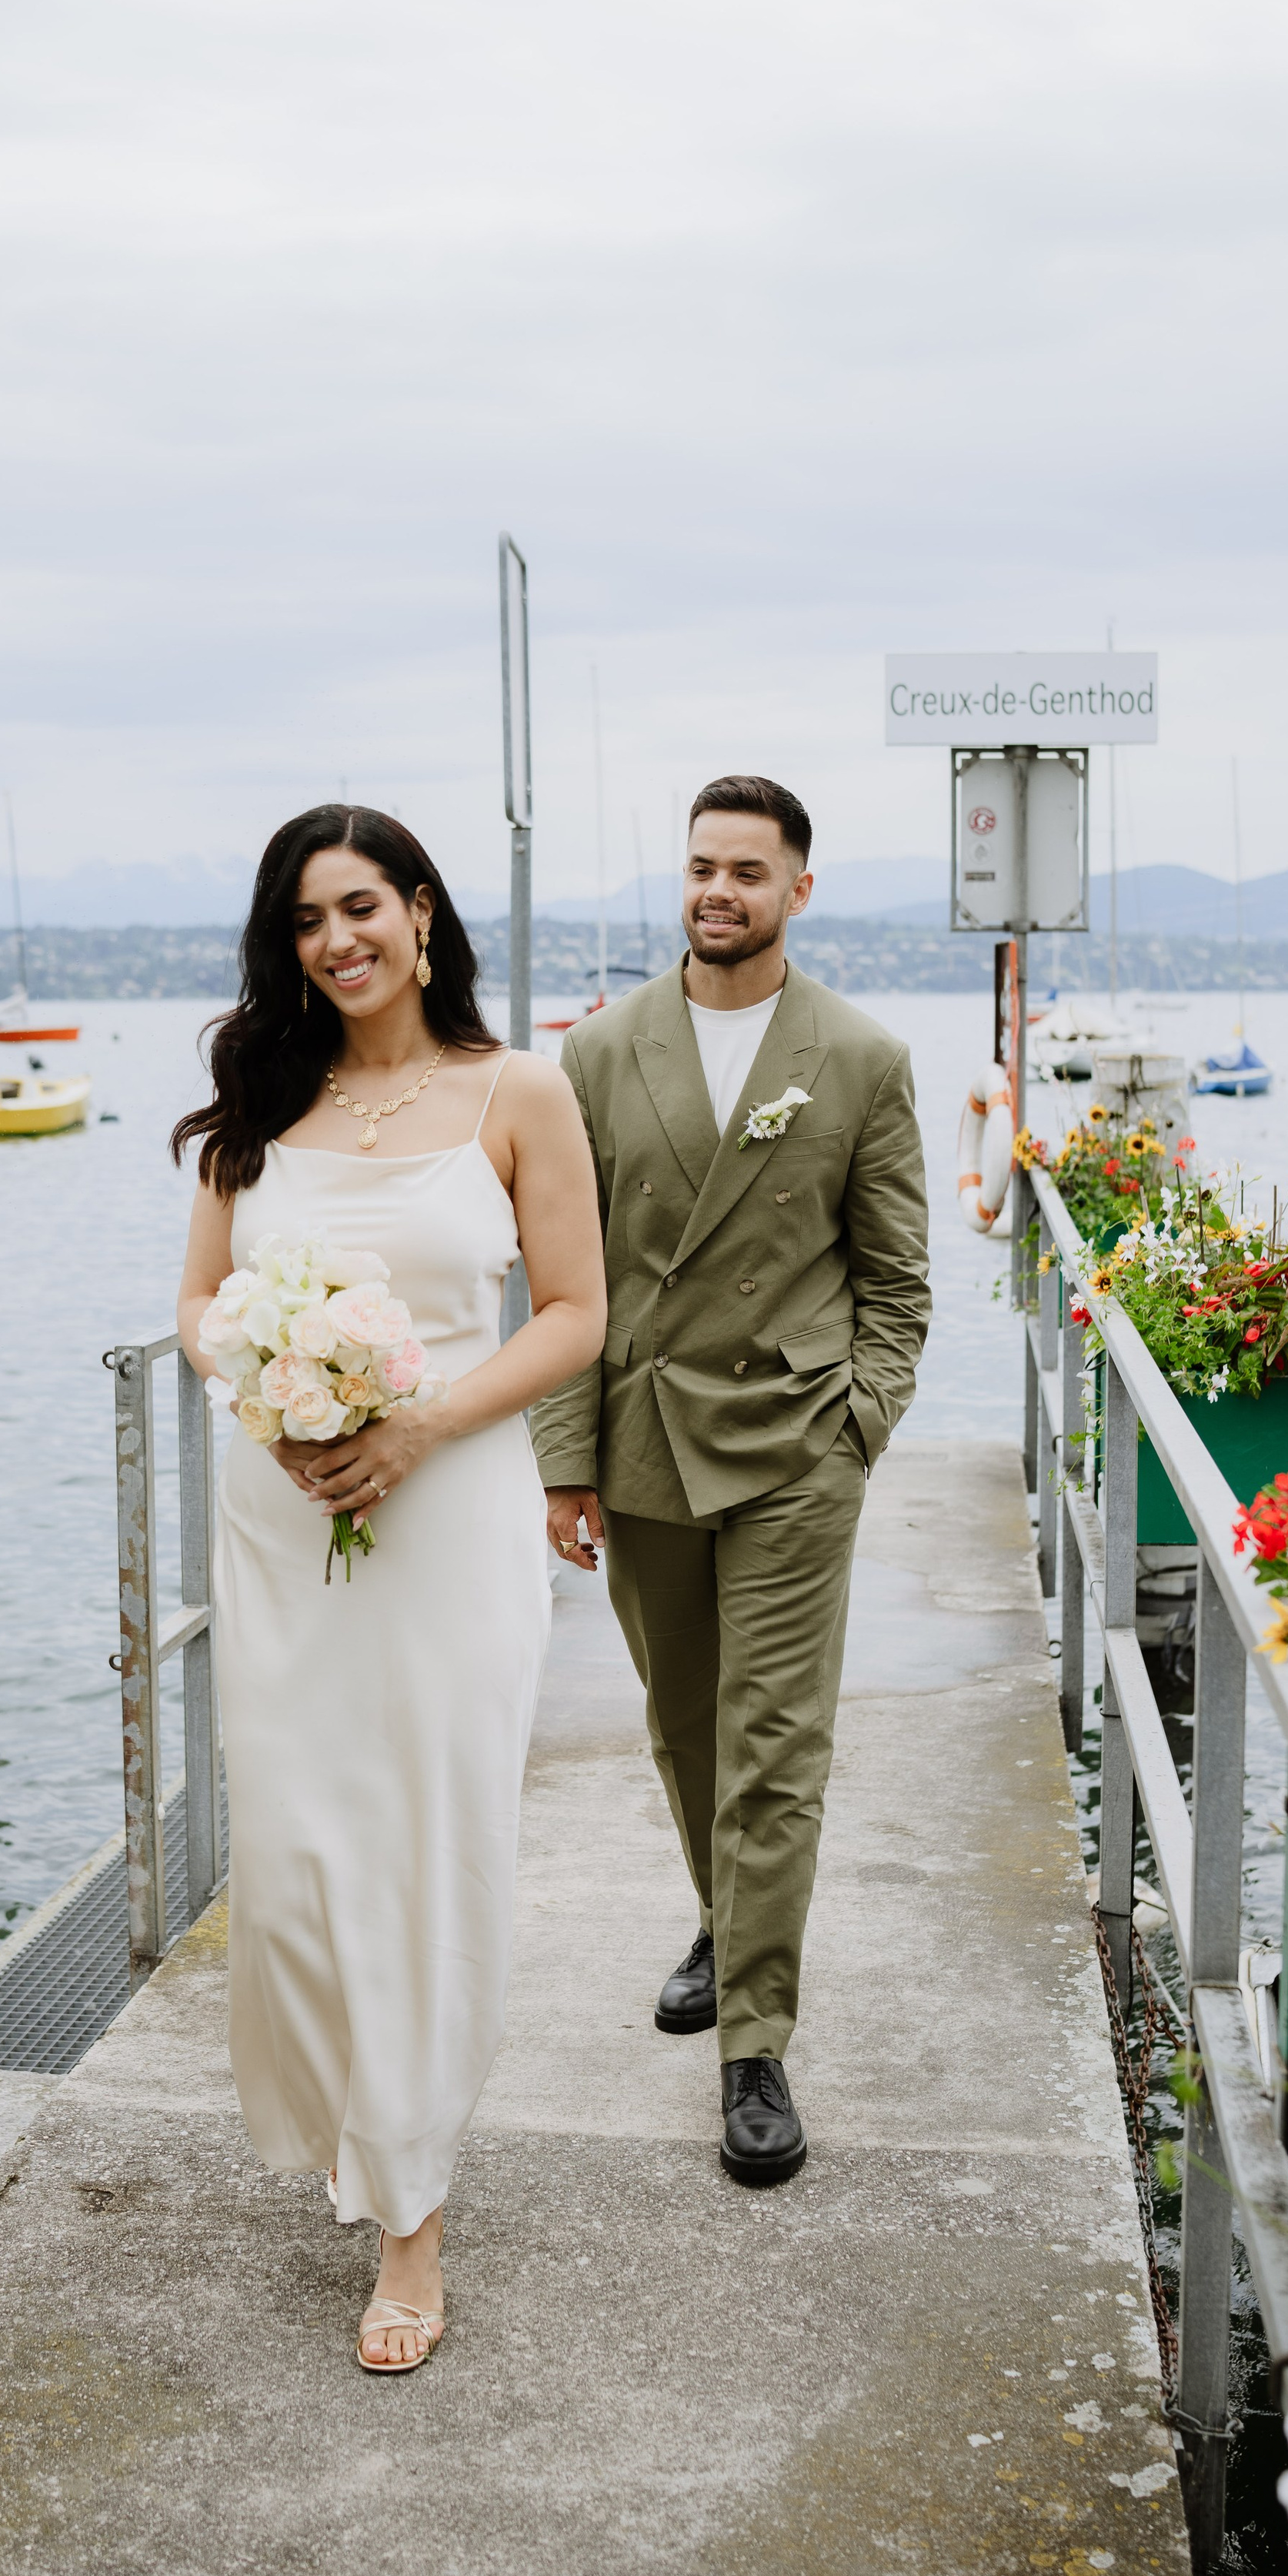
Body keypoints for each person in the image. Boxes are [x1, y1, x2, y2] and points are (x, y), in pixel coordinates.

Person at [173, 805, 604, 2374]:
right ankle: (342, 2126)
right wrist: (273, 1395)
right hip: (283, 1516)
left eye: (359, 907)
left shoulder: (518, 1093)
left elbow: (571, 1315)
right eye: (304, 921)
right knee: (289, 1861)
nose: (335, 941)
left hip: (450, 1510)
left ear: (421, 914)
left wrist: (413, 1422)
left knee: (425, 1850)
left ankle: (409, 2218)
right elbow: (197, 1302)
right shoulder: (257, 1100)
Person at [532, 774, 929, 2186]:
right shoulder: (597, 1053)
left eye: (748, 872)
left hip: (790, 1449)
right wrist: (561, 1464)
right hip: (642, 1442)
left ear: (798, 891)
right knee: (686, 1724)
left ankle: (754, 2042)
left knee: (775, 1746)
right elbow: (563, 1279)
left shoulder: (861, 1058)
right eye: (701, 866)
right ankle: (725, 1915)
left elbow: (898, 1281)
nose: (719, 891)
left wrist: (857, 1426)